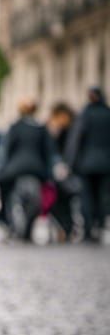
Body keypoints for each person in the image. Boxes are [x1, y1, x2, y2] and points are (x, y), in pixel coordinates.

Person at [0, 99, 55, 241]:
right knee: (36, 204)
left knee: (7, 196)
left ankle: (7, 223)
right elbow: (49, 153)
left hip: (15, 170)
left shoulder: (15, 127)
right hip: (36, 170)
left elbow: (5, 151)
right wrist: (49, 174)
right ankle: (27, 230)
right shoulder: (41, 129)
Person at [66, 86, 110, 243]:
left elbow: (76, 140)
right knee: (103, 196)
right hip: (106, 164)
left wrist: (70, 163)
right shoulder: (107, 114)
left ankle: (89, 228)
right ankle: (99, 224)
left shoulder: (85, 114)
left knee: (87, 197)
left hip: (86, 164)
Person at [47, 101, 78, 241]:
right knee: (58, 201)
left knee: (64, 201)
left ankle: (68, 228)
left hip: (70, 173)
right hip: (60, 174)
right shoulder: (58, 130)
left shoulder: (73, 129)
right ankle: (66, 228)